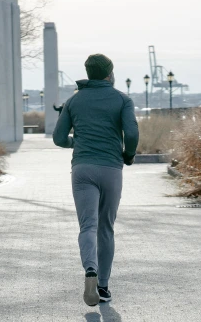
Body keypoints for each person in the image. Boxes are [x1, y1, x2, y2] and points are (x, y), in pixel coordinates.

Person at [53, 53, 140, 306]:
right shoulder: (122, 99)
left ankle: (89, 270)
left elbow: (59, 138)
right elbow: (132, 132)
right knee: (106, 228)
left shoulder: (74, 101)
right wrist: (129, 155)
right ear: (109, 74)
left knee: (87, 226)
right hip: (111, 168)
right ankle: (102, 286)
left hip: (82, 169)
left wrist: (76, 143)